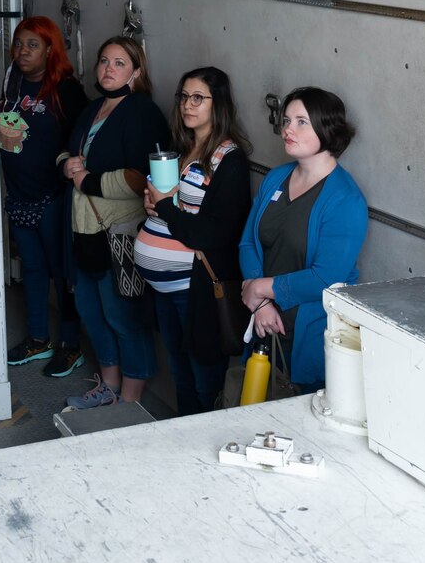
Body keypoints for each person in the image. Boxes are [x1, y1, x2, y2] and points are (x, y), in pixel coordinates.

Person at [61, 36, 170, 409]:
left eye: (119, 63)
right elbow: (67, 148)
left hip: (120, 233)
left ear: (136, 73)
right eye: (104, 60)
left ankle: (130, 399)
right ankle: (107, 384)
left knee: (123, 316)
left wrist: (87, 180)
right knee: (91, 311)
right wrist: (66, 164)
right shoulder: (92, 109)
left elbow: (141, 177)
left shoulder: (143, 112)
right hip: (84, 230)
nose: (108, 68)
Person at [136, 65, 252, 414]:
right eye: (184, 97)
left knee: (205, 381)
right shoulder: (181, 148)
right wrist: (153, 204)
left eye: (198, 98)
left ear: (219, 104)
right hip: (164, 289)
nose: (188, 104)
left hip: (196, 288)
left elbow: (216, 233)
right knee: (179, 374)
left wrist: (166, 207)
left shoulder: (230, 160)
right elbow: (172, 207)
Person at [239, 87, 367, 393]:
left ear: (327, 129)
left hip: (307, 331)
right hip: (263, 320)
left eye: (301, 122)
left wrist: (260, 288)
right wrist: (261, 304)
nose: (287, 129)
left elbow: (326, 277)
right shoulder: (276, 178)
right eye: (286, 120)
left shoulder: (345, 199)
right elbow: (247, 243)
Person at [0, 17, 87, 378]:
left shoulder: (66, 90)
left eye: (33, 45)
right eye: (19, 44)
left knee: (62, 274)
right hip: (18, 194)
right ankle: (38, 338)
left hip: (53, 197)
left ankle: (70, 346)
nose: (23, 52)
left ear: (50, 49)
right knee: (32, 270)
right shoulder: (12, 80)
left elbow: (82, 142)